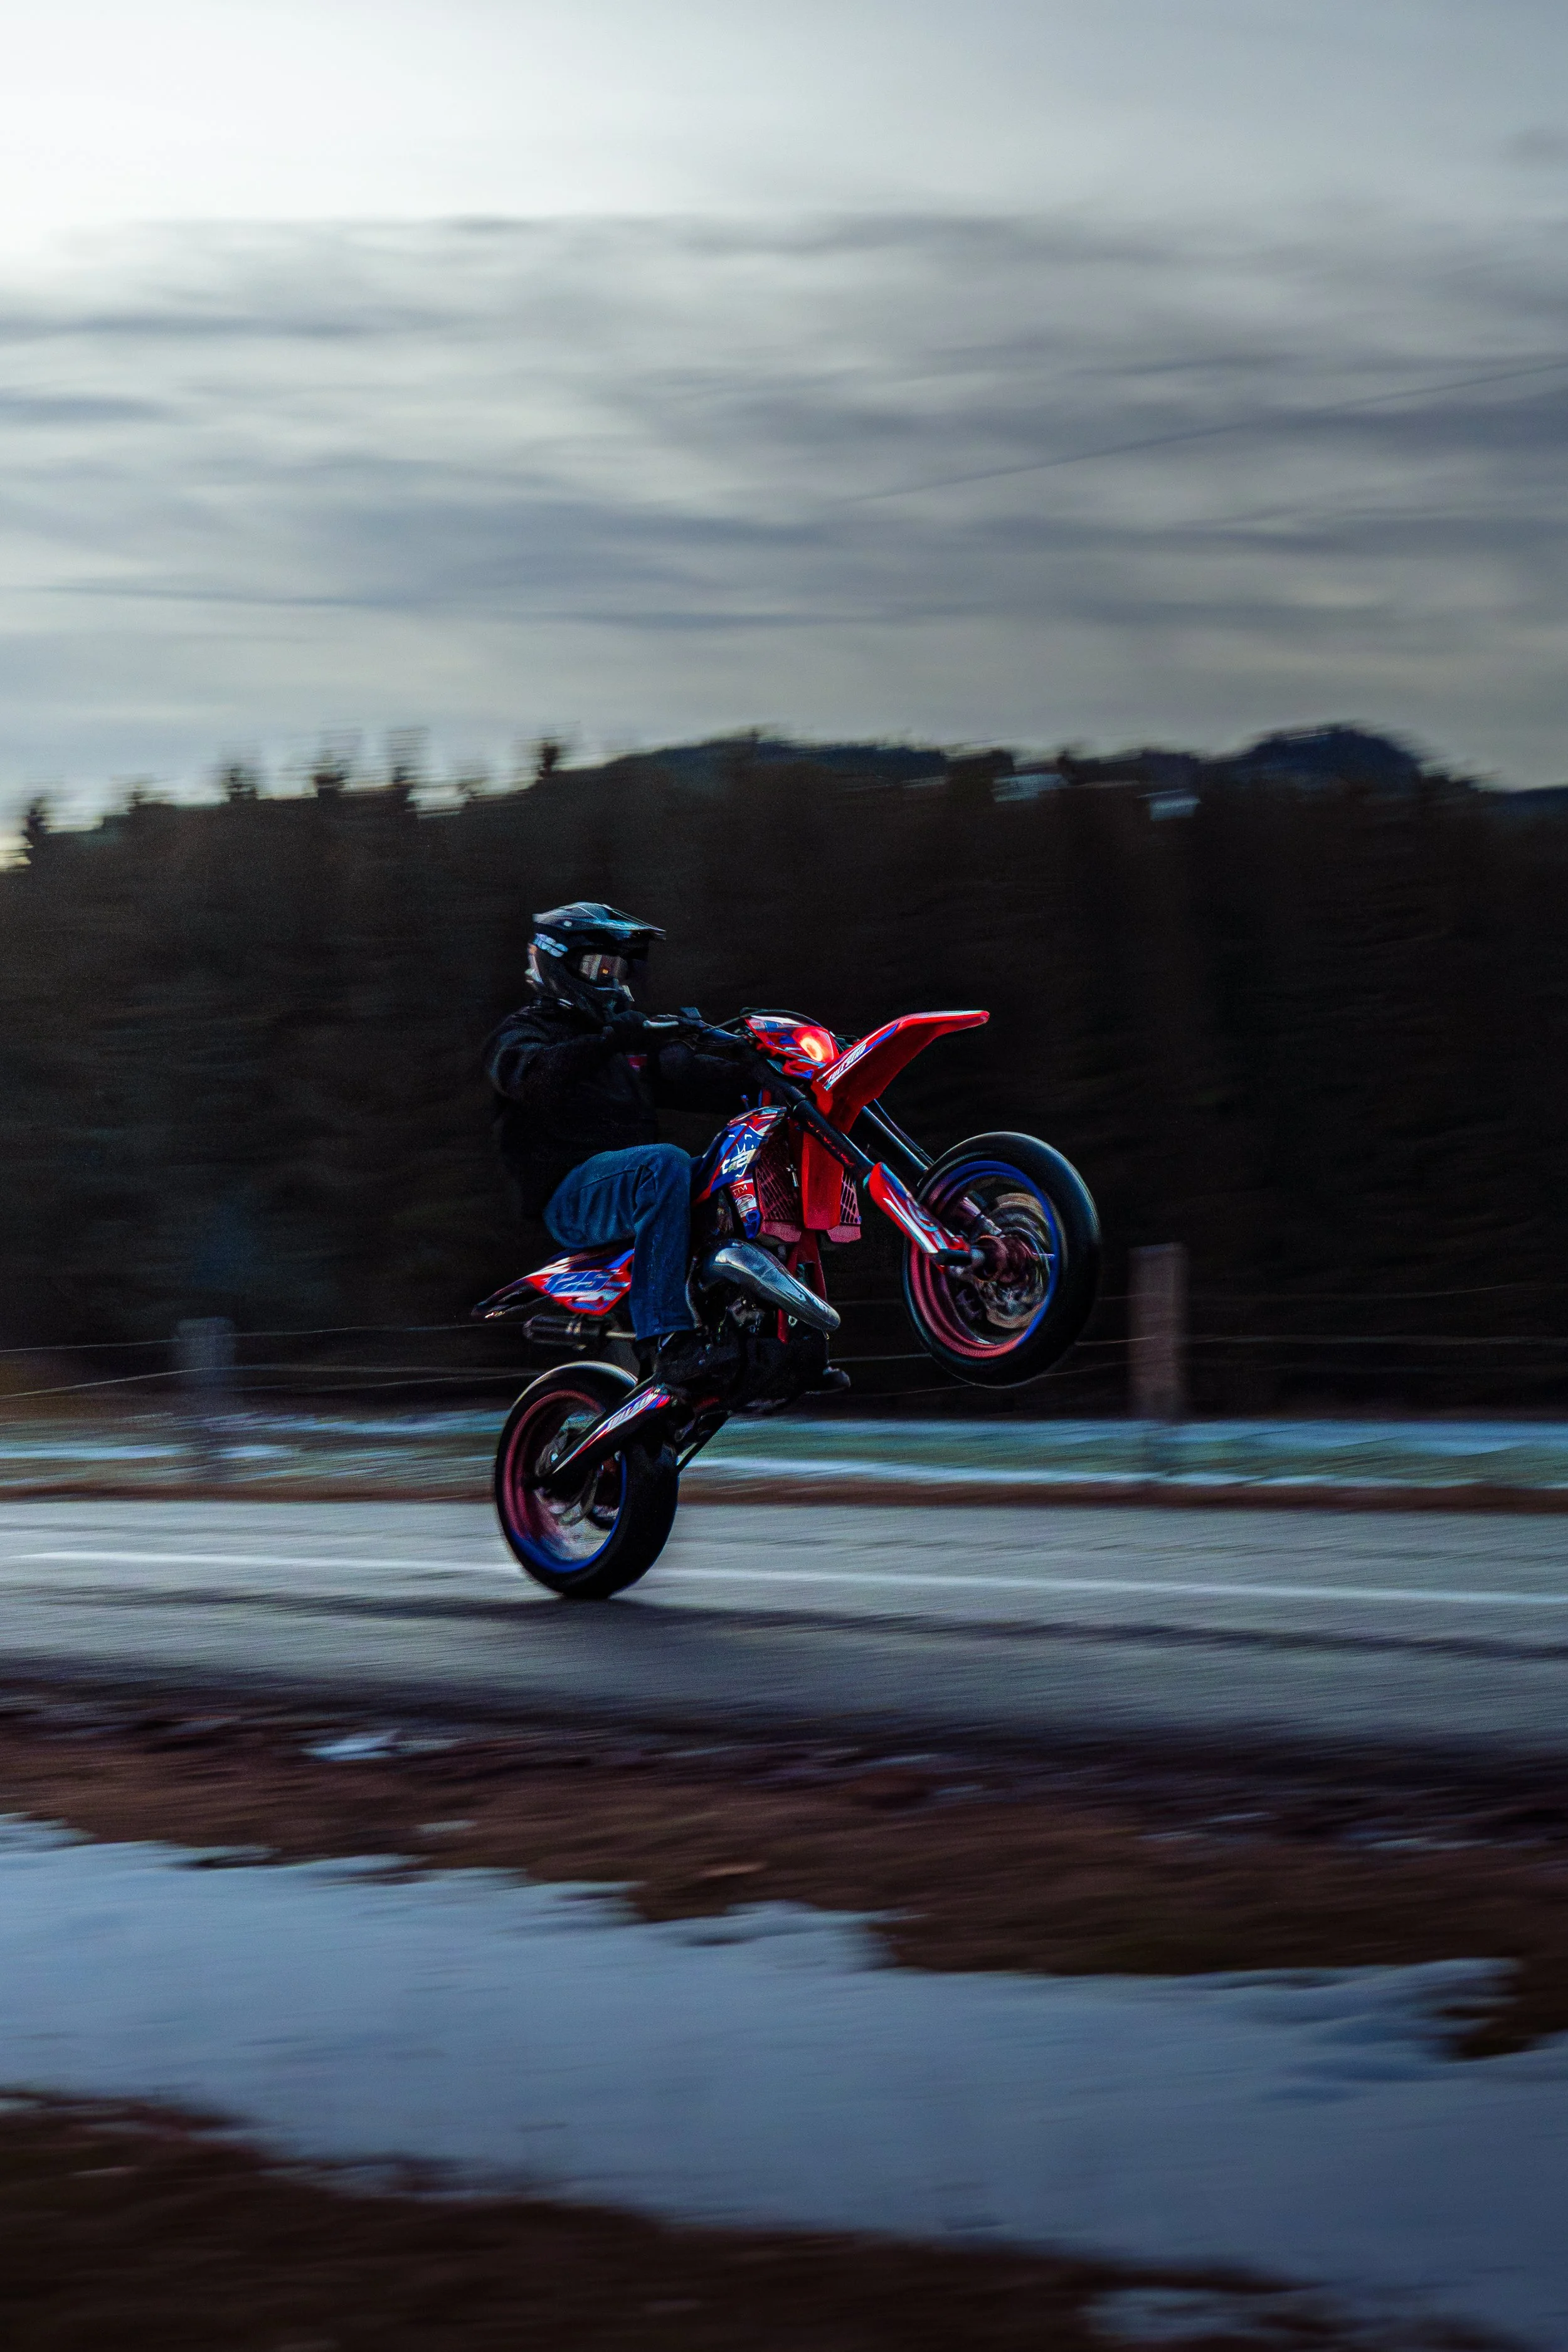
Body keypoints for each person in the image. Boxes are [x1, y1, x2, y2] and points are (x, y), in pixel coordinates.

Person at [485, 903, 751, 1380]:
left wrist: (776, 1069)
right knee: (664, 1164)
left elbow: (695, 1077)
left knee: (732, 1165)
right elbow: (533, 1078)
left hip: (626, 1189)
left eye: (617, 968)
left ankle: (750, 1323)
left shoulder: (627, 1043)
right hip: (570, 1198)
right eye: (598, 967)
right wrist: (608, 1041)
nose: (611, 978)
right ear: (556, 964)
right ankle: (667, 1334)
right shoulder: (522, 1033)